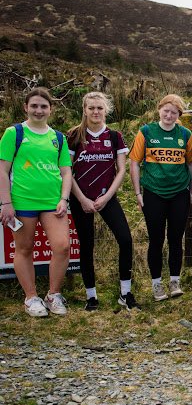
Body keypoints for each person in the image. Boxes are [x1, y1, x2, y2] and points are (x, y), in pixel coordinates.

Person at [0, 87, 72, 317]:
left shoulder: (58, 138)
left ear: (50, 109)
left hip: (53, 202)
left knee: (62, 246)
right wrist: (5, 203)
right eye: (34, 106)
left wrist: (64, 198)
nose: (39, 110)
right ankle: (31, 298)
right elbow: (2, 170)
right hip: (22, 201)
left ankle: (53, 294)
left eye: (43, 106)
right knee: (24, 248)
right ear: (26, 107)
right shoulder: (14, 133)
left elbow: (66, 172)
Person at [67, 92, 137, 311]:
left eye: (99, 108)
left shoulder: (115, 136)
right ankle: (91, 297)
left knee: (125, 240)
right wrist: (81, 199)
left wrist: (107, 197)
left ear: (106, 110)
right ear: (84, 110)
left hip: (107, 197)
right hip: (80, 199)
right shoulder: (74, 136)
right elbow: (66, 171)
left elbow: (122, 169)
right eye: (91, 108)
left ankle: (125, 294)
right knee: (86, 246)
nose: (95, 112)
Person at [129, 94, 192, 301]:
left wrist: (190, 190)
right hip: (153, 193)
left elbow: (191, 164)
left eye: (174, 112)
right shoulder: (146, 132)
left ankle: (174, 281)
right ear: (159, 110)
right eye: (166, 111)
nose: (169, 115)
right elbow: (134, 162)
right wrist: (138, 193)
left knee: (176, 239)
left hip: (179, 194)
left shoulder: (185, 134)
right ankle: (156, 284)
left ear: (179, 115)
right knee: (156, 239)